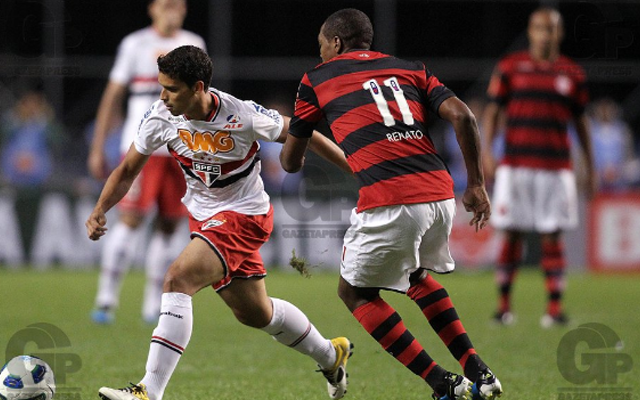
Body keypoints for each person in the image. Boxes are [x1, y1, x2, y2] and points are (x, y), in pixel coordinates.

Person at [87, 45, 354, 400]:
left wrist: (360, 170)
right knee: (256, 313)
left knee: (177, 279)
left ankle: (147, 392)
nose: (163, 96)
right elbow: (127, 169)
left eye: (172, 89)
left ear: (198, 87)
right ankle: (329, 354)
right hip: (205, 219)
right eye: (161, 87)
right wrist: (100, 208)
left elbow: (305, 134)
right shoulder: (160, 116)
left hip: (245, 215)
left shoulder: (241, 114)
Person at [280, 9, 502, 400]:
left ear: (336, 43)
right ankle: (479, 372)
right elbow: (464, 116)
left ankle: (443, 384)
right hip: (438, 192)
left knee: (355, 293)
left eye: (321, 45)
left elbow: (291, 162)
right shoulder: (410, 69)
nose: (320, 54)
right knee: (414, 276)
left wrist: (293, 138)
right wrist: (477, 185)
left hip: (390, 198)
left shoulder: (316, 79)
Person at [87, 0, 207, 324]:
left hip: (182, 147)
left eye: (180, 6)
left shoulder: (194, 43)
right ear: (152, 8)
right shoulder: (135, 44)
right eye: (167, 5)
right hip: (144, 145)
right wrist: (98, 146)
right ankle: (106, 299)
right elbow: (112, 95)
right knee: (132, 218)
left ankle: (152, 304)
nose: (174, 10)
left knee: (169, 223)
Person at [482, 7, 596, 328]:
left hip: (555, 167)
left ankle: (555, 310)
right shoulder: (510, 67)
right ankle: (503, 308)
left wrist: (589, 165)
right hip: (515, 166)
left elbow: (581, 122)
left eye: (551, 29)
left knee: (552, 235)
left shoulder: (572, 73)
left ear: (559, 33)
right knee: (511, 233)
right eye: (539, 28)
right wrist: (487, 152)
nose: (545, 34)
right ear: (531, 32)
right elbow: (492, 112)